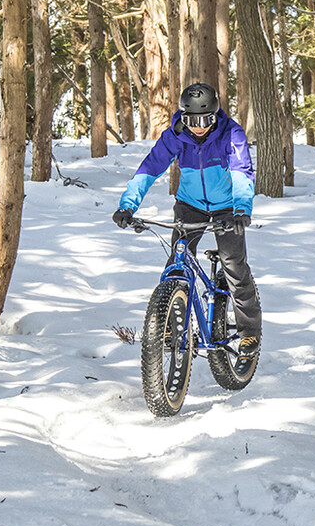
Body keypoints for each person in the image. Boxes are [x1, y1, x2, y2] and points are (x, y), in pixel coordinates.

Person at [112, 82, 262, 358]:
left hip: (228, 207)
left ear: (216, 116)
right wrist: (127, 206)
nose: (198, 127)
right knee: (177, 263)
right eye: (191, 120)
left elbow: (242, 172)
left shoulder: (232, 134)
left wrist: (242, 210)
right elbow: (148, 170)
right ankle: (170, 327)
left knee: (233, 265)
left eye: (205, 120)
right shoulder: (175, 136)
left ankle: (249, 332)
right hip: (189, 205)